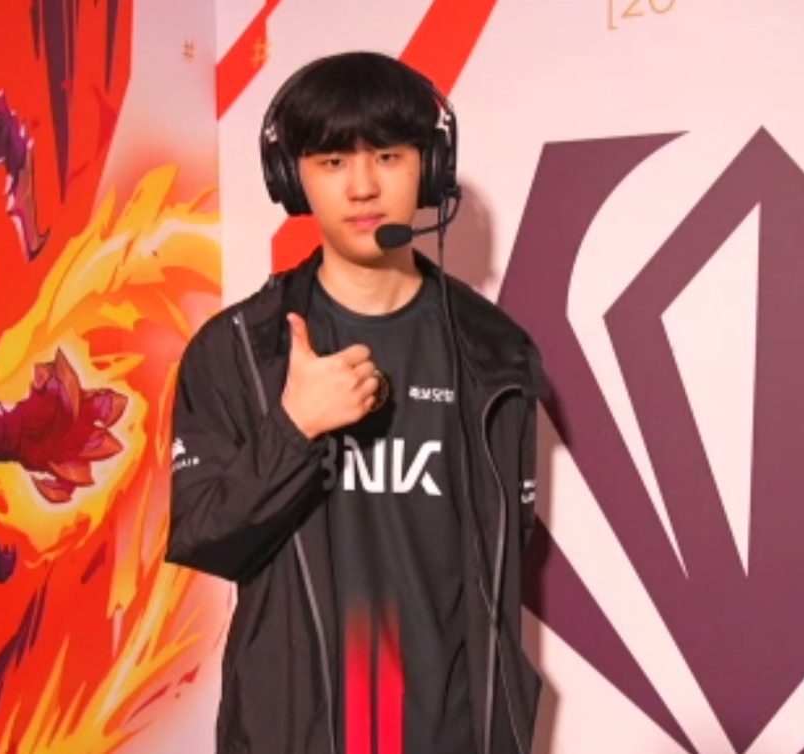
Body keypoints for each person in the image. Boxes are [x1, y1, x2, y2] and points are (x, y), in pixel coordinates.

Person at [166, 50, 545, 754]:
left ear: (429, 167)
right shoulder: (239, 350)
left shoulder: (496, 354)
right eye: (333, 161)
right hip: (291, 735)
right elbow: (205, 536)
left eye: (389, 157)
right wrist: (294, 429)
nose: (364, 187)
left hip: (451, 733)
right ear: (293, 178)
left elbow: (504, 551)